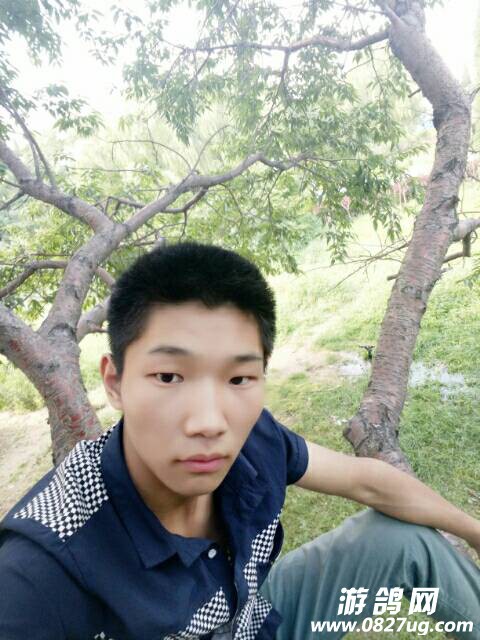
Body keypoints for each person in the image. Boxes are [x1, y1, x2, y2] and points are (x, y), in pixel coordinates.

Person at [0, 240, 479, 640]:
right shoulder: (37, 576)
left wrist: (474, 531)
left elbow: (367, 481)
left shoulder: (254, 439)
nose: (210, 422)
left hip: (253, 619)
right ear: (115, 382)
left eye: (238, 378)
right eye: (168, 376)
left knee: (401, 540)